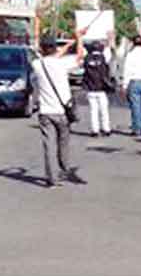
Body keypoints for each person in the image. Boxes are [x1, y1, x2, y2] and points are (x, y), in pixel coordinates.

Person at [32, 33, 84, 188]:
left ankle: (51, 178)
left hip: (45, 111)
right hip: (61, 110)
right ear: (54, 48)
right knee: (63, 142)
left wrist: (70, 43)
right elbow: (80, 56)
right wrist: (79, 39)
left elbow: (51, 55)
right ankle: (64, 168)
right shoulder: (62, 64)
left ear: (42, 49)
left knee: (48, 145)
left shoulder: (37, 64)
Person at [82, 40, 114, 138]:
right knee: (104, 110)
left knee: (93, 110)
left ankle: (95, 130)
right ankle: (106, 129)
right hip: (101, 88)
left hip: (91, 88)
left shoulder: (87, 59)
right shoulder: (103, 58)